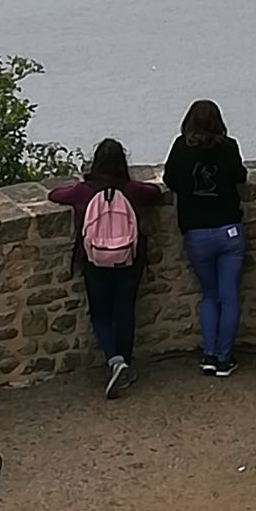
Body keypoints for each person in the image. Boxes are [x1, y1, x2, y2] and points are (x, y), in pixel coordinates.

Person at [48, 139, 162, 398]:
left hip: (95, 261)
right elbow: (156, 194)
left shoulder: (84, 191)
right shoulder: (131, 190)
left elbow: (53, 195)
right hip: (128, 260)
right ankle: (126, 365)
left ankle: (114, 360)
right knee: (125, 312)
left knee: (100, 314)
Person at [162, 99, 248, 377]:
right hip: (229, 230)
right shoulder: (229, 147)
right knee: (229, 295)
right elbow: (240, 177)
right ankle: (225, 357)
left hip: (197, 232)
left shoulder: (180, 147)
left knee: (209, 295)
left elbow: (170, 179)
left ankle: (209, 355)